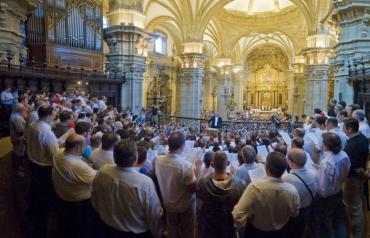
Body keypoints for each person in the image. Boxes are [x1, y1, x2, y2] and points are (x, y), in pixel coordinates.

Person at [91, 140, 163, 238]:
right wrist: (156, 234)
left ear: (114, 155)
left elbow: (94, 197)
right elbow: (154, 214)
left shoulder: (103, 170)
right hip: (134, 233)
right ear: (136, 158)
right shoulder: (144, 182)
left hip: (105, 227)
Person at [232, 152, 300, 238]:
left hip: (257, 232)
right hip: (281, 231)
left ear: (267, 168)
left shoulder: (254, 187)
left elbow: (237, 214)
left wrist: (242, 229)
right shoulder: (292, 190)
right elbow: (295, 213)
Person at [154, 132, 199, 238]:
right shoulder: (186, 166)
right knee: (188, 230)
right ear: (183, 146)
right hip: (185, 205)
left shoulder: (158, 160)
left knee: (172, 230)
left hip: (168, 202)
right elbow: (193, 189)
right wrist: (197, 171)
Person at [52, 134, 97, 238]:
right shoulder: (78, 166)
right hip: (77, 205)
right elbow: (99, 179)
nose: (87, 147)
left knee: (64, 225)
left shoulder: (59, 153)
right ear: (77, 148)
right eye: (85, 146)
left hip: (61, 196)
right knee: (78, 230)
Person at [26, 104, 59, 238]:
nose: (55, 115)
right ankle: (39, 230)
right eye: (54, 114)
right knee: (43, 200)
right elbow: (54, 156)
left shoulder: (33, 125)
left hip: (33, 162)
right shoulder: (47, 133)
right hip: (43, 168)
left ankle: (29, 213)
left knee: (35, 191)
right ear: (50, 115)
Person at [196, 151, 246, 238]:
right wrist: (234, 176)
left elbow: (199, 195)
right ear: (228, 163)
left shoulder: (202, 183)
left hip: (208, 227)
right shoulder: (240, 184)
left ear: (212, 164)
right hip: (228, 226)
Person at [311, 132, 351, 238]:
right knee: (338, 220)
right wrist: (320, 169)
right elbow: (343, 173)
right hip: (338, 191)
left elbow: (323, 190)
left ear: (326, 146)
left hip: (327, 199)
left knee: (325, 224)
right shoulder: (344, 155)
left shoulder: (326, 162)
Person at [342, 118, 369, 238]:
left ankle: (357, 234)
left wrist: (364, 176)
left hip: (352, 180)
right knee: (357, 206)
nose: (343, 130)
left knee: (354, 209)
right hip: (357, 179)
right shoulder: (361, 138)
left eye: (344, 127)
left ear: (350, 129)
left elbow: (357, 168)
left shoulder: (353, 145)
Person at [283, 148, 318, 238]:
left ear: (290, 162)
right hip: (307, 209)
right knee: (300, 231)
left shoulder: (286, 179)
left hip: (292, 214)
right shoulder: (314, 174)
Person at [9, 105, 28, 176]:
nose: (26, 112)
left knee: (16, 152)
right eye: (25, 111)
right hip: (18, 139)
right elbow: (21, 130)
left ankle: (18, 167)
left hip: (15, 138)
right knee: (17, 154)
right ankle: (16, 170)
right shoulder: (18, 118)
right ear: (21, 110)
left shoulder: (13, 113)